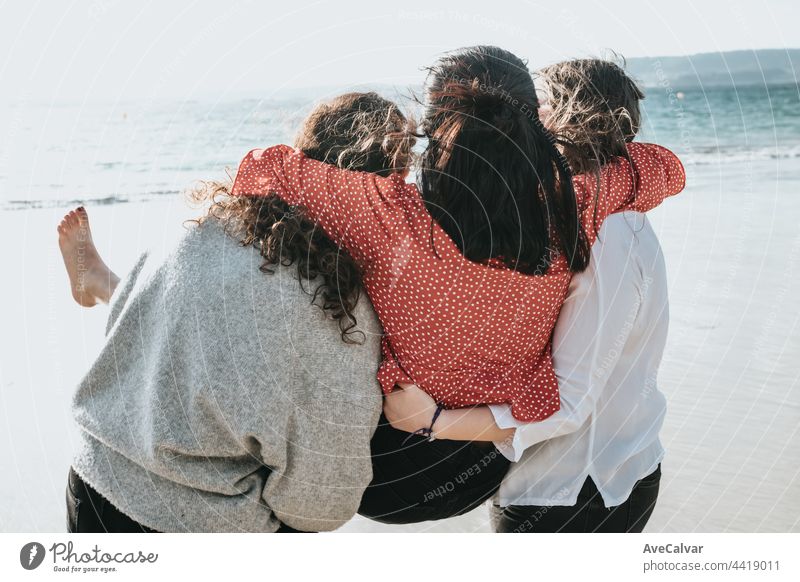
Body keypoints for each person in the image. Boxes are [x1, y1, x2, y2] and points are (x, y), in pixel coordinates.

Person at [228, 46, 683, 523]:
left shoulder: (391, 213)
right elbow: (666, 168)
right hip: (484, 466)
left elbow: (262, 167)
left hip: (387, 470)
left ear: (436, 125)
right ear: (534, 126)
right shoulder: (575, 206)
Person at [58, 92, 411, 532]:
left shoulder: (210, 218)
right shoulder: (342, 307)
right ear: (388, 188)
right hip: (184, 522)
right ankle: (97, 281)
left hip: (90, 476)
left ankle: (98, 281)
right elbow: (319, 505)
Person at [385, 59, 672, 532]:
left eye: (532, 107)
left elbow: (570, 403)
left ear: (560, 119)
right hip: (587, 480)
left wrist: (435, 420)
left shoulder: (607, 237)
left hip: (576, 490)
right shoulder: (590, 214)